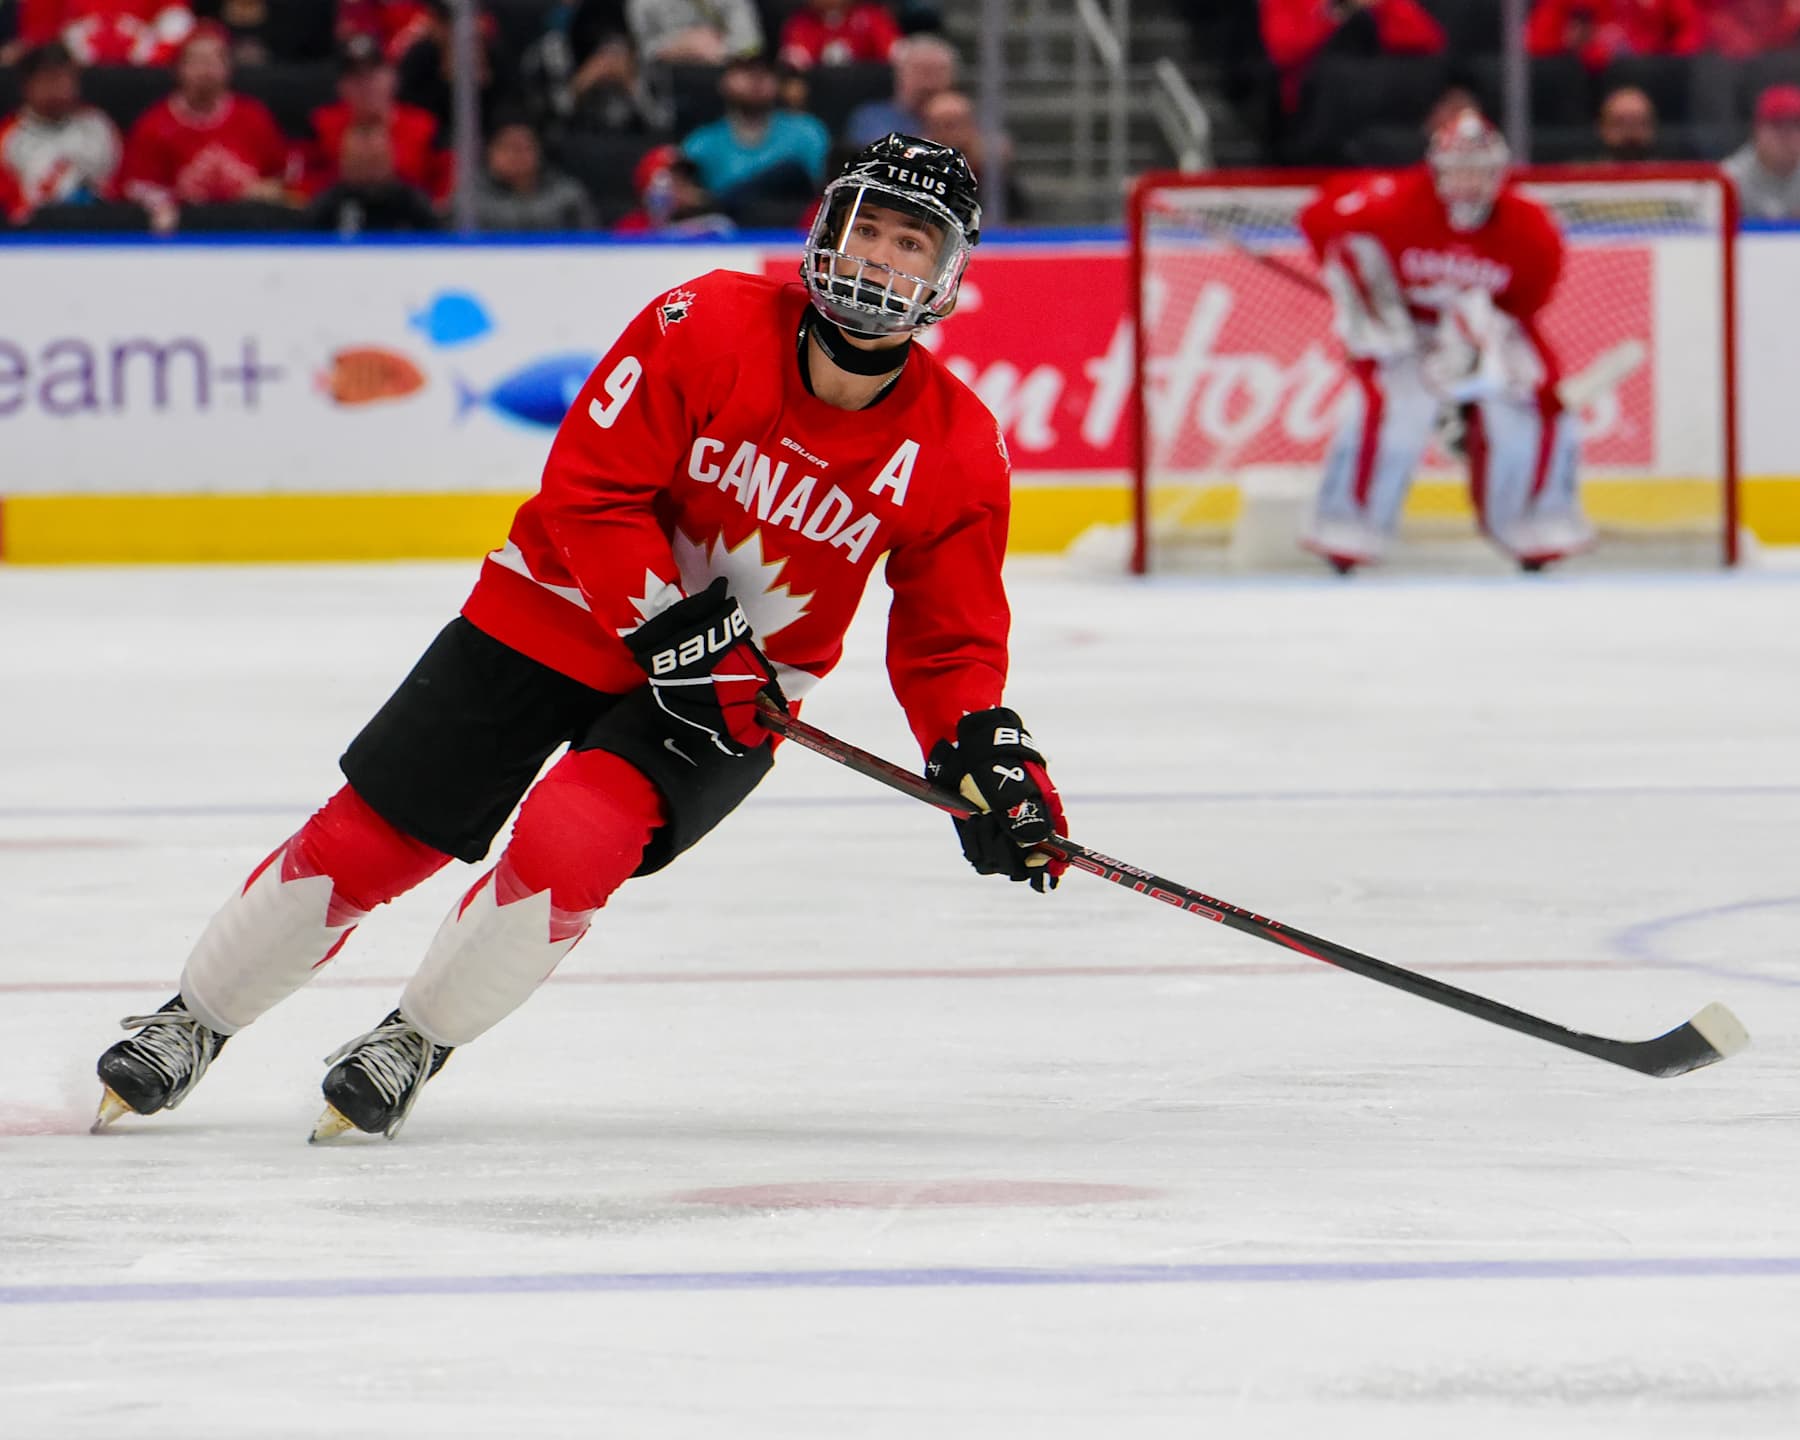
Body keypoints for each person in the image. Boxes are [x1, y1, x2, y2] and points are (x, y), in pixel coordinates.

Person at [92, 133, 1067, 1142]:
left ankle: (414, 1039)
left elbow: (948, 643)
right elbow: (590, 494)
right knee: (374, 838)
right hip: (553, 610)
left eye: (912, 242)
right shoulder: (709, 321)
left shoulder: (958, 450)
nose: (879, 259)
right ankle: (191, 1021)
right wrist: (675, 633)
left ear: (947, 274)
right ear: (825, 231)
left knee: (571, 844)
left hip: (733, 693)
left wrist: (983, 756)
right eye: (866, 228)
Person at [1296, 111, 1590, 572]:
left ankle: (1536, 524)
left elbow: (1528, 301)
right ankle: (1348, 527)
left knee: (1537, 401)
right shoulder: (1391, 203)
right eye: (1458, 169)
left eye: (1480, 170)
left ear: (1500, 172)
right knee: (1385, 410)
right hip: (1406, 330)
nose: (1469, 182)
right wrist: (1368, 297)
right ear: (1435, 169)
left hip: (1486, 327)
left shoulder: (1531, 226)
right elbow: (1318, 221)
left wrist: (1481, 347)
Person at [119, 22, 292, 226]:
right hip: (185, 234)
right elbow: (137, 187)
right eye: (197, 61)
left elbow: (282, 176)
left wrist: (263, 190)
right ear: (178, 68)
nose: (206, 71)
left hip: (247, 229)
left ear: (228, 68)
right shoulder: (154, 124)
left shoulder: (254, 117)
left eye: (214, 61)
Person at [306, 31, 449, 203]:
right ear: (341, 87)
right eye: (355, 77)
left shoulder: (424, 126)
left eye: (374, 73)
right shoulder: (322, 124)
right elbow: (303, 184)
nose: (366, 84)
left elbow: (448, 185)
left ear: (392, 77)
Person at [680, 51, 829, 212]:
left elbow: (823, 193)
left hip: (793, 231)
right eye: (745, 69)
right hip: (728, 231)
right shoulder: (701, 143)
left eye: (766, 71)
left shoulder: (807, 133)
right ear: (723, 80)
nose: (757, 78)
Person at [0, 39, 122, 223]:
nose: (59, 89)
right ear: (27, 85)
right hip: (33, 236)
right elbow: (9, 204)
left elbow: (121, 188)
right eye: (49, 79)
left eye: (65, 79)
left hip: (97, 230)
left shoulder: (98, 126)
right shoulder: (8, 135)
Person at [1258, 0, 1445, 113]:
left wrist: (1383, 7)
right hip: (1314, 107)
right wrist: (1334, 14)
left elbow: (1429, 41)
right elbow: (1284, 53)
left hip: (1378, 104)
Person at [303, 118, 438, 233]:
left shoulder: (413, 205)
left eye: (374, 160)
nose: (368, 172)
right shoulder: (326, 208)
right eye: (359, 161)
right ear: (344, 162)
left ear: (390, 159)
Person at [469, 116, 598, 231]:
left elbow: (589, 243)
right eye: (508, 147)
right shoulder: (470, 199)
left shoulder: (567, 196)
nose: (516, 156)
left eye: (524, 147)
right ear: (490, 152)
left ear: (539, 151)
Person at [843, 31, 955, 146]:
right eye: (922, 71)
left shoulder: (963, 118)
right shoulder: (871, 118)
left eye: (938, 73)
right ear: (899, 73)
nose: (929, 82)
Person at [1524, 0, 1702, 68]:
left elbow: (1692, 33)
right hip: (1590, 84)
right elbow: (1535, 42)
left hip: (1649, 80)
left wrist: (1666, 61)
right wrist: (1568, 44)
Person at [611, 141, 735, 234]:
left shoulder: (708, 224)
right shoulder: (630, 227)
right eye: (675, 180)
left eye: (685, 180)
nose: (686, 187)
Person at [1724, 83, 1800, 220]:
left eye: (1796, 125)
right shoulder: (1730, 179)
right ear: (1757, 130)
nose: (1786, 136)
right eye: (1777, 125)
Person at [779, 0, 902, 70]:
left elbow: (895, 53)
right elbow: (796, 63)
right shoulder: (800, 23)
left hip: (868, 95)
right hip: (818, 97)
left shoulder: (872, 17)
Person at [625, 0, 761, 62]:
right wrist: (680, 47)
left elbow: (750, 44)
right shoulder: (641, 3)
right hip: (668, 83)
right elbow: (641, 53)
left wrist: (720, 50)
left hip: (722, 72)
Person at [1590, 83, 1658, 162]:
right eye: (1619, 124)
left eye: (1638, 123)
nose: (1629, 132)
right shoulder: (1581, 172)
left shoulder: (1669, 172)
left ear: (1652, 127)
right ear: (1602, 128)